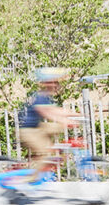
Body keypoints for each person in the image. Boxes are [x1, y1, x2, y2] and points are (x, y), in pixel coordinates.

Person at [8, 67, 83, 197]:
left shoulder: (47, 98)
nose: (56, 85)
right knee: (47, 154)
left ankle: (50, 159)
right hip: (29, 131)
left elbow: (57, 111)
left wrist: (76, 115)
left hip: (38, 128)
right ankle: (30, 179)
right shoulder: (40, 97)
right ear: (46, 83)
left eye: (57, 83)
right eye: (53, 82)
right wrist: (65, 121)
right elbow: (46, 113)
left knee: (57, 130)